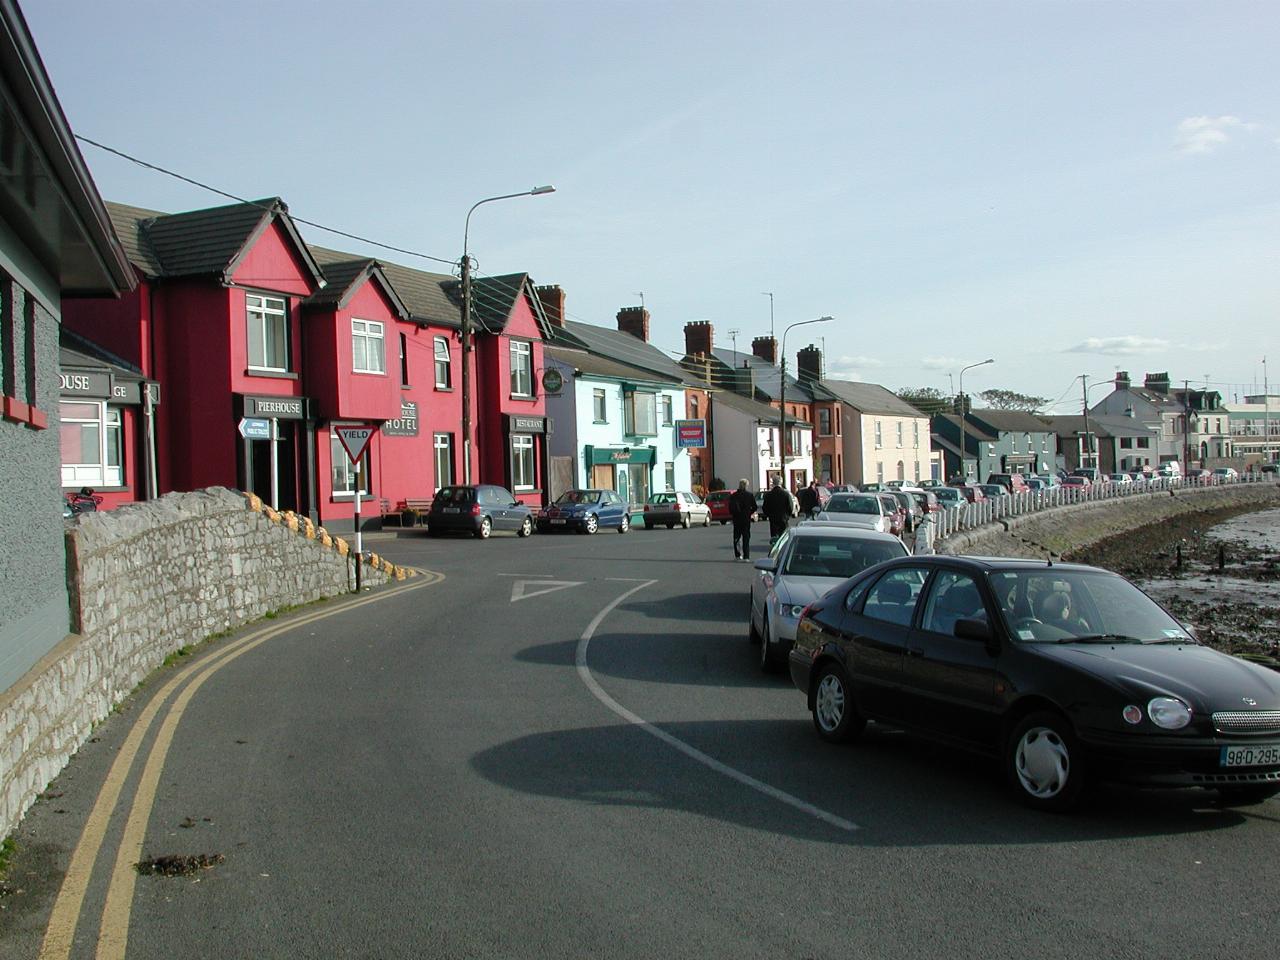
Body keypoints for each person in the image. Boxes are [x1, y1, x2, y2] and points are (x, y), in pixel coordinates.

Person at [727, 479, 757, 561]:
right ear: (746, 485)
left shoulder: (733, 496)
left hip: (736, 519)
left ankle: (737, 555)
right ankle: (746, 556)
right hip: (746, 519)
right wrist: (749, 513)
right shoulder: (749, 495)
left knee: (736, 537)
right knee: (746, 537)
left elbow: (730, 508)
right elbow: (755, 507)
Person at [762, 476, 793, 545]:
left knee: (774, 537)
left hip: (773, 519)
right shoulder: (785, 494)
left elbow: (764, 508)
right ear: (781, 482)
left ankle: (774, 549)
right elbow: (790, 507)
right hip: (783, 518)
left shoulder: (769, 495)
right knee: (784, 536)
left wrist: (769, 515)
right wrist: (787, 515)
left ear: (773, 483)